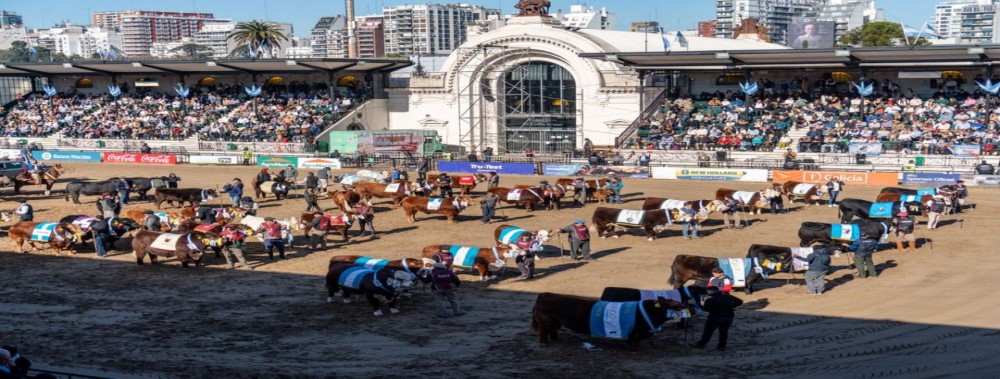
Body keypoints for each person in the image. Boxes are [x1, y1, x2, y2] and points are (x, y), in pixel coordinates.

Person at [690, 286, 743, 352]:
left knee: (708, 332)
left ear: (710, 291)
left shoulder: (710, 299)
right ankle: (721, 346)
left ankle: (701, 344)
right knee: (723, 332)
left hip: (714, 317)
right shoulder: (728, 296)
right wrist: (731, 306)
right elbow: (740, 301)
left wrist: (700, 305)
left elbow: (706, 309)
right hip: (727, 317)